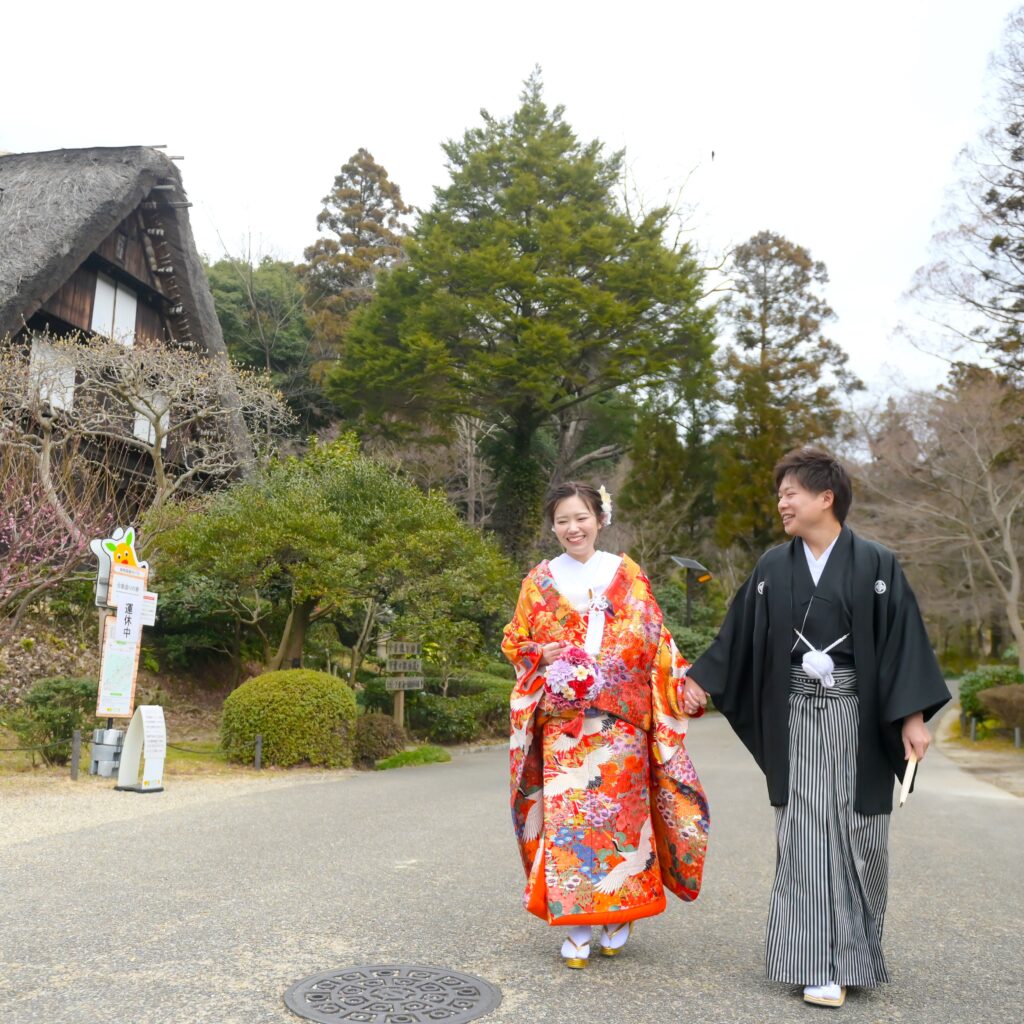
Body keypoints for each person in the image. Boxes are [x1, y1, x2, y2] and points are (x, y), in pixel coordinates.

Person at [682, 446, 950, 1008]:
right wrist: (701, 680)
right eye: (780, 493)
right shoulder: (773, 568)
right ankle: (814, 964)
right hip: (798, 714)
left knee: (860, 835)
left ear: (825, 498)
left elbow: (903, 644)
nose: (782, 502)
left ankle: (854, 956)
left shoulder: (877, 563)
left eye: (790, 492)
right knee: (804, 836)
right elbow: (738, 635)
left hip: (858, 716)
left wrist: (913, 716)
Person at [502, 482, 709, 969]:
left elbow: (657, 640)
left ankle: (618, 913)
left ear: (600, 517)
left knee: (620, 822)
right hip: (564, 724)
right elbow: (516, 642)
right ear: (552, 527)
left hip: (621, 727)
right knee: (570, 824)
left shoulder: (627, 574)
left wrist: (684, 684)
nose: (572, 529)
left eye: (581, 518)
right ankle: (575, 924)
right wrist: (540, 654)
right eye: (562, 521)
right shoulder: (539, 579)